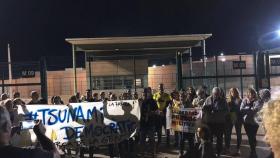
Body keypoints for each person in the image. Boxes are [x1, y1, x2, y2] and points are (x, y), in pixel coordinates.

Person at [202, 87, 229, 157]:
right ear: (212, 93)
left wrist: (219, 113)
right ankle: (210, 153)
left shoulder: (223, 101)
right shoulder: (208, 99)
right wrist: (206, 109)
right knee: (209, 139)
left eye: (217, 94)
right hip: (210, 122)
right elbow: (203, 109)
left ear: (220, 94)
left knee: (219, 139)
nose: (216, 95)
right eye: (215, 94)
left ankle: (218, 153)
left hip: (219, 123)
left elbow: (227, 111)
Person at [240, 88, 262, 158]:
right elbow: (241, 109)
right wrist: (249, 109)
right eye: (249, 93)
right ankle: (253, 150)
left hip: (255, 123)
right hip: (246, 122)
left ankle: (253, 152)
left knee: (251, 137)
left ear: (254, 94)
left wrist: (247, 109)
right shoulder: (244, 100)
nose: (250, 94)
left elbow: (256, 110)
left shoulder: (257, 101)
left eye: (252, 93)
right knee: (251, 137)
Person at [224, 88, 242, 156]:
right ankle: (227, 148)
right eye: (231, 92)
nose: (233, 93)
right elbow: (227, 109)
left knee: (238, 133)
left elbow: (239, 109)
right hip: (230, 118)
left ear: (237, 92)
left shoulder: (239, 100)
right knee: (228, 133)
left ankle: (238, 148)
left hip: (237, 117)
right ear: (230, 93)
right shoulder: (228, 100)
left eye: (234, 92)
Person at [140, 87, 158, 156]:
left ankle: (152, 153)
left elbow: (157, 111)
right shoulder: (140, 101)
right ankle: (142, 153)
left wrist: (151, 113)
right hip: (142, 124)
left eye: (147, 92)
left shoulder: (153, 101)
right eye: (144, 92)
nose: (145, 94)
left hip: (151, 124)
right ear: (142, 94)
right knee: (142, 140)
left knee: (152, 140)